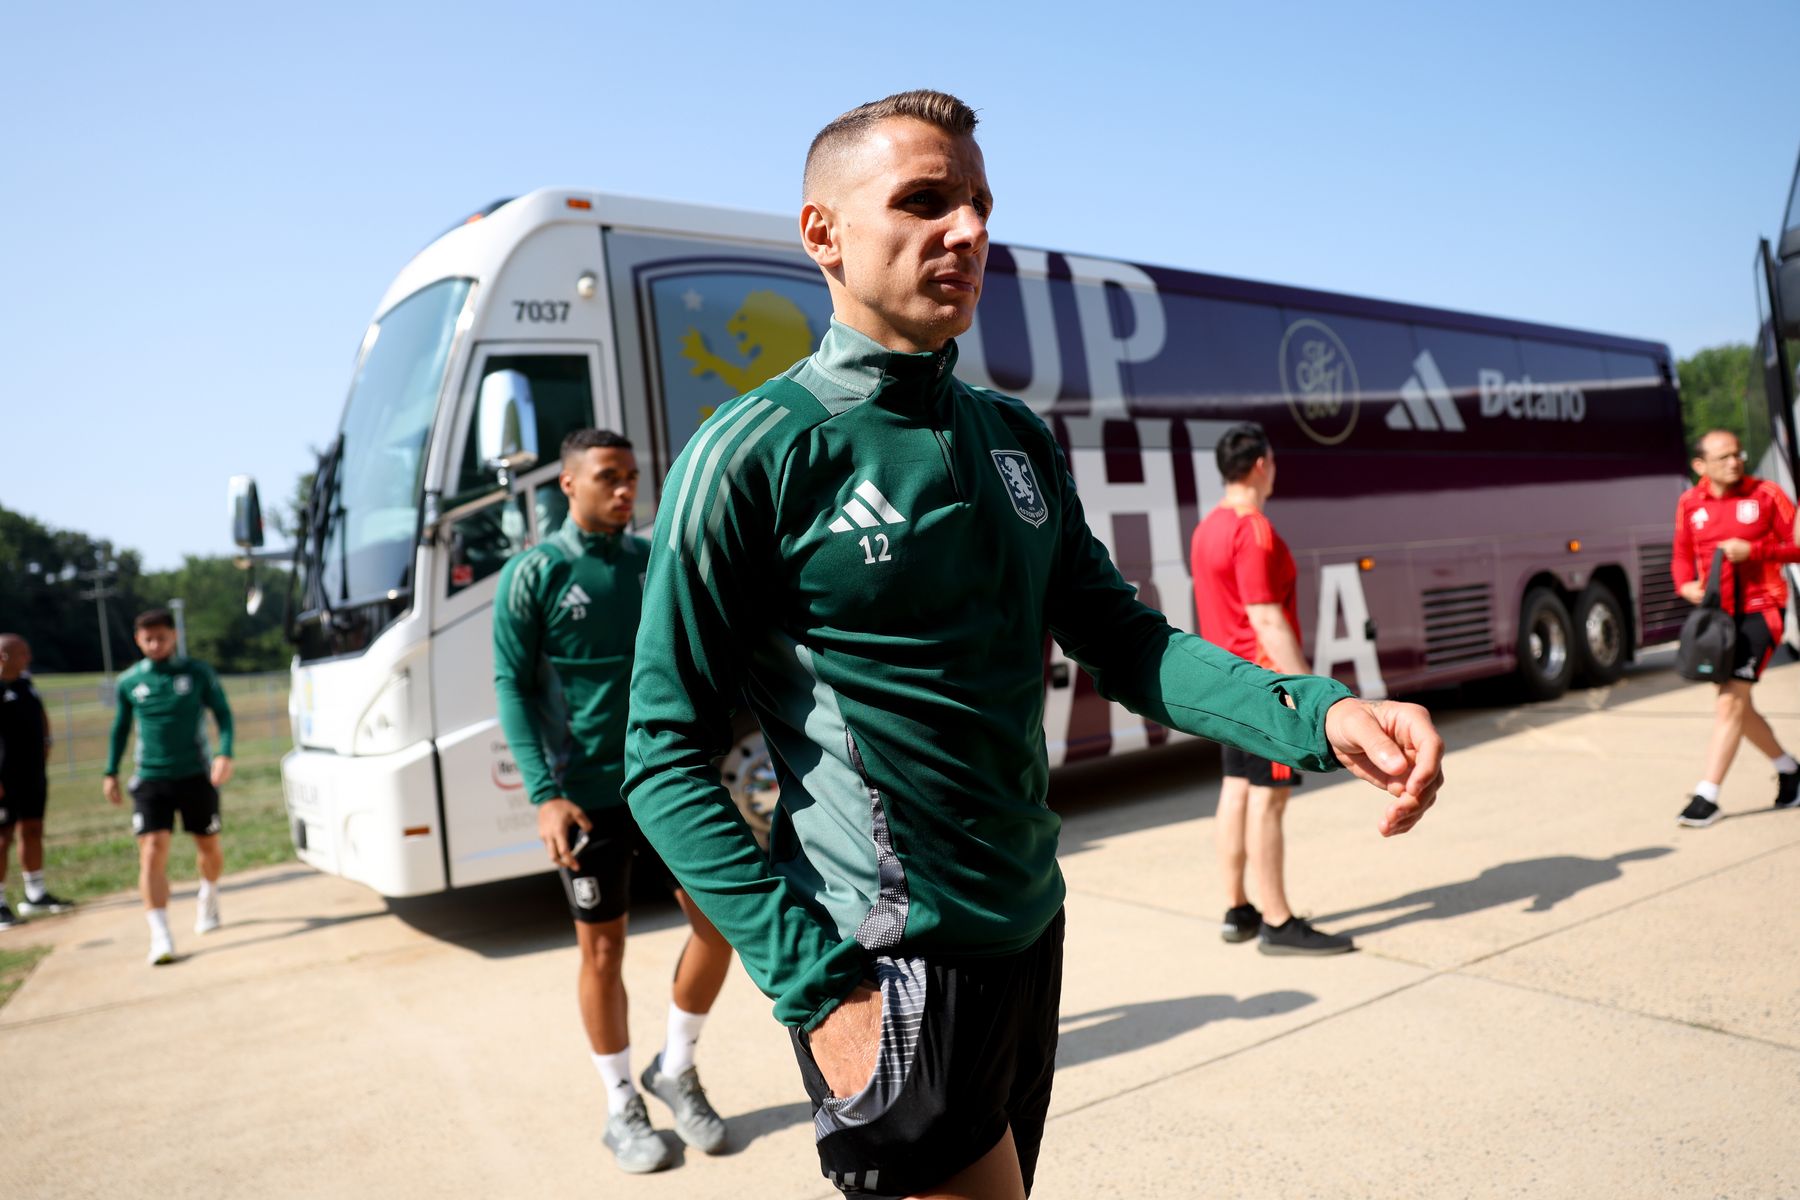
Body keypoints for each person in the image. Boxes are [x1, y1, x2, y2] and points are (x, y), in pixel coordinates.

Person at [624, 89, 1444, 1200]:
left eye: (977, 205)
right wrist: (817, 988)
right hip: (886, 962)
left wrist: (1321, 712)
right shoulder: (757, 452)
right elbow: (661, 757)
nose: (966, 232)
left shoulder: (1010, 435)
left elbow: (1126, 641)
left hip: (1031, 930)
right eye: (923, 202)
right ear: (822, 233)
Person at [492, 429, 735, 1174]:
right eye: (609, 477)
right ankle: (620, 1100)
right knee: (602, 949)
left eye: (632, 476)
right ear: (568, 485)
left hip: (666, 782)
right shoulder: (534, 573)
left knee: (720, 923)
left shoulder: (651, 561)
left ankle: (677, 1066)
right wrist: (546, 796)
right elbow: (512, 685)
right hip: (585, 801)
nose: (627, 490)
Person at [1191, 424, 1353, 955]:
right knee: (1270, 802)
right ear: (1261, 464)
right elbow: (1266, 618)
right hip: (1266, 690)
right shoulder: (1253, 529)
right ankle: (1279, 923)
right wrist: (1313, 693)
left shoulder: (1206, 528)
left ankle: (1238, 910)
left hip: (1225, 687)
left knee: (1235, 792)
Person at [1672, 429, 1800, 827]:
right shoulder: (1689, 502)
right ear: (1700, 465)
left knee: (1729, 702)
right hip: (1718, 620)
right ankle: (1790, 770)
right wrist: (1684, 585)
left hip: (1762, 612)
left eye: (1737, 454)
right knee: (1739, 707)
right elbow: (1679, 553)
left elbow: (1797, 545)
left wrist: (1756, 551)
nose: (1734, 461)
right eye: (1723, 457)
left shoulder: (1766, 494)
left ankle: (1706, 796)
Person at [102, 609, 234, 964]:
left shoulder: (196, 673)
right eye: (148, 639)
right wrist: (110, 770)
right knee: (152, 849)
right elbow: (120, 728)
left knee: (208, 846)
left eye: (162, 637)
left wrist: (225, 753)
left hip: (195, 775)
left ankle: (209, 894)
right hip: (150, 777)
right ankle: (160, 935)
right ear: (138, 640)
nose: (156, 644)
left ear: (173, 636)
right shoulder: (130, 681)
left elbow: (222, 714)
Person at [1, 633, 73, 928]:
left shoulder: (26, 684)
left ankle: (35, 893)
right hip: (3, 778)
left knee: (33, 828)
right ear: (3, 656)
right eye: (23, 653)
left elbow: (40, 716)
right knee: (2, 837)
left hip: (31, 775)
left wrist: (46, 741)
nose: (28, 658)